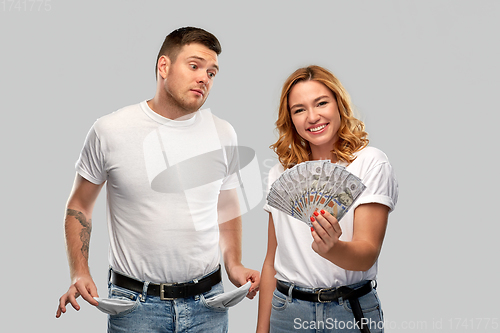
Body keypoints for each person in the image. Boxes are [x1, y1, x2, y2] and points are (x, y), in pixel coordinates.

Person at [56, 26, 260, 332]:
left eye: (212, 72)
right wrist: (79, 271)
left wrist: (234, 264)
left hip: (209, 306)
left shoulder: (223, 132)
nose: (204, 78)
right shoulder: (110, 130)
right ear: (163, 66)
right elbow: (80, 205)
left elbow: (227, 206)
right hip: (136, 308)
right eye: (194, 66)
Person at [256, 65, 398, 333]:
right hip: (287, 311)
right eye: (299, 109)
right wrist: (261, 330)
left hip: (348, 310)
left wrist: (333, 249)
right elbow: (271, 260)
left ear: (338, 105)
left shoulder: (370, 163)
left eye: (321, 103)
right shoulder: (279, 173)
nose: (312, 116)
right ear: (290, 119)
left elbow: (366, 254)